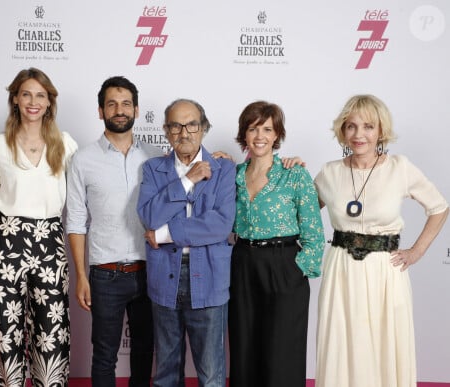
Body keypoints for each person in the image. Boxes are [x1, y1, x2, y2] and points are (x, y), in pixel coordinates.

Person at [314, 94, 449, 387]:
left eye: (368, 127)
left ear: (380, 131)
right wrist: (289, 171)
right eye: (351, 126)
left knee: (383, 341)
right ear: (343, 131)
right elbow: (302, 214)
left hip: (384, 271)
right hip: (341, 269)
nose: (359, 134)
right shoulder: (330, 172)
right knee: (342, 340)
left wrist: (417, 251)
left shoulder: (399, 167)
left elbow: (439, 207)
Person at [0, 68, 78, 387]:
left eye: (40, 95)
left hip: (50, 239)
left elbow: (85, 188)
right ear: (15, 99)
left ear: (49, 102)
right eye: (26, 94)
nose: (33, 101)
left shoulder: (65, 145)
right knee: (6, 328)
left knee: (52, 328)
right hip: (7, 241)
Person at [66, 76, 162, 387]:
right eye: (111, 104)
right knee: (104, 354)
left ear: (136, 109)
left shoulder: (156, 158)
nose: (119, 110)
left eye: (125, 104)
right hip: (105, 274)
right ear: (100, 111)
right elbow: (77, 222)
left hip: (151, 270)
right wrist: (81, 275)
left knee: (145, 350)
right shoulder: (82, 160)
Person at [137, 99, 236, 387]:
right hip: (164, 275)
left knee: (211, 373)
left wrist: (165, 235)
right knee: (167, 371)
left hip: (209, 276)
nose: (184, 132)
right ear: (166, 131)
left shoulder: (224, 169)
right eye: (176, 125)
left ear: (203, 128)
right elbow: (149, 215)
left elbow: (220, 225)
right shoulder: (154, 169)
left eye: (192, 124)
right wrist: (187, 181)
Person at [228, 101, 325, 387]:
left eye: (267, 129)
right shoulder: (231, 175)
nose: (260, 136)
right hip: (243, 262)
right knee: (245, 343)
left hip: (284, 264)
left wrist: (297, 270)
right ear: (244, 134)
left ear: (277, 135)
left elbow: (314, 233)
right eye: (253, 128)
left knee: (283, 347)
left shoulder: (294, 174)